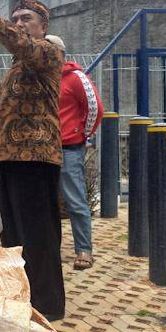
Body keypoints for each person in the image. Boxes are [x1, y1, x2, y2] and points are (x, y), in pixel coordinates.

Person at [0, 0, 66, 321]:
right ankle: (22, 301)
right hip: (11, 161)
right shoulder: (18, 64)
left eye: (27, 19)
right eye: (16, 18)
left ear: (43, 26)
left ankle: (47, 308)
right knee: (14, 238)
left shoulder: (47, 53)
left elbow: (23, 45)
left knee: (38, 237)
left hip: (36, 159)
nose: (20, 23)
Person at [46, 35, 104, 270]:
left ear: (60, 53)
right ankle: (49, 248)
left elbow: (95, 108)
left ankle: (84, 249)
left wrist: (84, 135)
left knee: (75, 199)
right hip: (42, 150)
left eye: (49, 51)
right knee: (44, 201)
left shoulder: (76, 77)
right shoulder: (40, 78)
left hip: (68, 148)